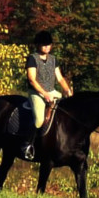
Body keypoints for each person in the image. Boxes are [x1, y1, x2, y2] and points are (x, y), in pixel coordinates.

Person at [22, 30, 73, 159]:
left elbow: (60, 78)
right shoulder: (32, 59)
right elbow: (32, 79)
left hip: (51, 91)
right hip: (36, 93)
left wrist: (67, 91)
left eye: (48, 44)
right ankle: (27, 145)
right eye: (44, 45)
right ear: (38, 45)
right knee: (39, 119)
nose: (47, 47)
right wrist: (44, 94)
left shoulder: (53, 59)